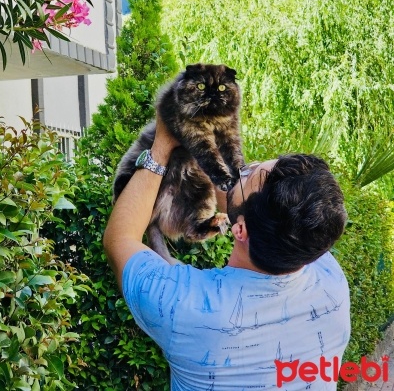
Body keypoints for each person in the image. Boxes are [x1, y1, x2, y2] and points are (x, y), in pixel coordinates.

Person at [103, 116, 350, 390]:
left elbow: (120, 239)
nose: (244, 168)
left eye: (246, 174)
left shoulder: (191, 307)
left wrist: (160, 146)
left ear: (240, 229)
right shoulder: (329, 279)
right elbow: (246, 210)